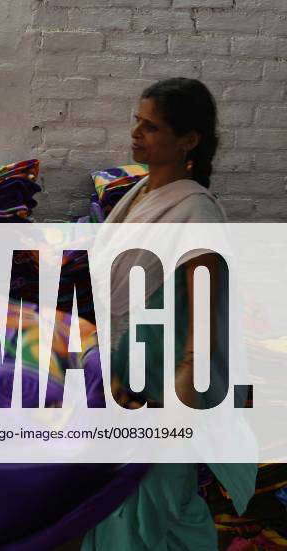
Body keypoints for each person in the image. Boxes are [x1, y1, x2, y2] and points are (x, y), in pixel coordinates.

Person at [81, 78, 257, 549]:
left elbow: (203, 328)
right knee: (113, 509)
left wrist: (174, 414)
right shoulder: (137, 194)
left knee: (160, 512)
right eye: (137, 123)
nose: (137, 134)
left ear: (189, 140)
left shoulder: (196, 214)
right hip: (122, 380)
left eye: (152, 127)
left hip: (164, 393)